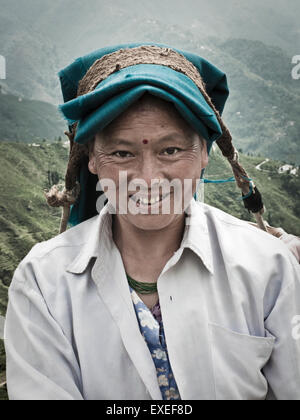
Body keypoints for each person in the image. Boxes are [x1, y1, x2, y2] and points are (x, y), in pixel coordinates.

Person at [4, 43, 300, 400]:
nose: (147, 177)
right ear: (92, 160)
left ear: (204, 151)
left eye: (170, 150)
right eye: (122, 152)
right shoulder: (43, 282)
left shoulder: (269, 267)